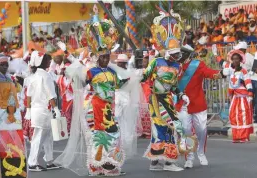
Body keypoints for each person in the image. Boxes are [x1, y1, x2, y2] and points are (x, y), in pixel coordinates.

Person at [54, 5, 137, 176]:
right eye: (103, 57)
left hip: (109, 108)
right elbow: (80, 76)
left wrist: (137, 75)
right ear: (96, 58)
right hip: (93, 108)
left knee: (113, 135)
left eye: (107, 56)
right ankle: (96, 166)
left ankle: (109, 164)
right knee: (95, 137)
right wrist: (68, 53)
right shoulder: (91, 71)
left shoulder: (113, 72)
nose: (106, 59)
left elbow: (121, 84)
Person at [142, 8, 190, 172]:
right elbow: (145, 77)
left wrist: (181, 94)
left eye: (178, 53)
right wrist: (133, 78)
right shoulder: (156, 62)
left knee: (167, 127)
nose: (177, 56)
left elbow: (174, 86)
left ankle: (157, 160)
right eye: (174, 53)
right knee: (168, 126)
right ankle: (167, 162)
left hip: (168, 99)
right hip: (156, 100)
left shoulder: (177, 66)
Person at [176, 44, 224, 169]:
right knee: (186, 131)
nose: (178, 55)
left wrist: (222, 73)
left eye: (182, 53)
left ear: (188, 54)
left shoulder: (197, 65)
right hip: (183, 104)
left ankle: (201, 153)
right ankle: (189, 157)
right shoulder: (174, 66)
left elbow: (210, 73)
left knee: (201, 130)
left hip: (197, 103)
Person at [25, 51, 62, 171]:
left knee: (47, 136)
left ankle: (49, 160)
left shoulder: (32, 77)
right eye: (47, 59)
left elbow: (28, 95)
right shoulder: (45, 76)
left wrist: (29, 110)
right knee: (39, 136)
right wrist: (56, 109)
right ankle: (32, 162)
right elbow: (50, 95)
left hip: (37, 110)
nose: (49, 61)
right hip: (44, 110)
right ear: (41, 62)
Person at [214, 48, 254, 143]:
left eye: (237, 59)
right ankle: (236, 136)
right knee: (233, 116)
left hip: (243, 98)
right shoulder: (230, 69)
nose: (235, 60)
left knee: (243, 116)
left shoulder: (244, 71)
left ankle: (244, 136)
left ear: (240, 60)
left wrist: (250, 94)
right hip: (235, 98)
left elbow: (248, 83)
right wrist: (216, 54)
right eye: (234, 59)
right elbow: (222, 62)